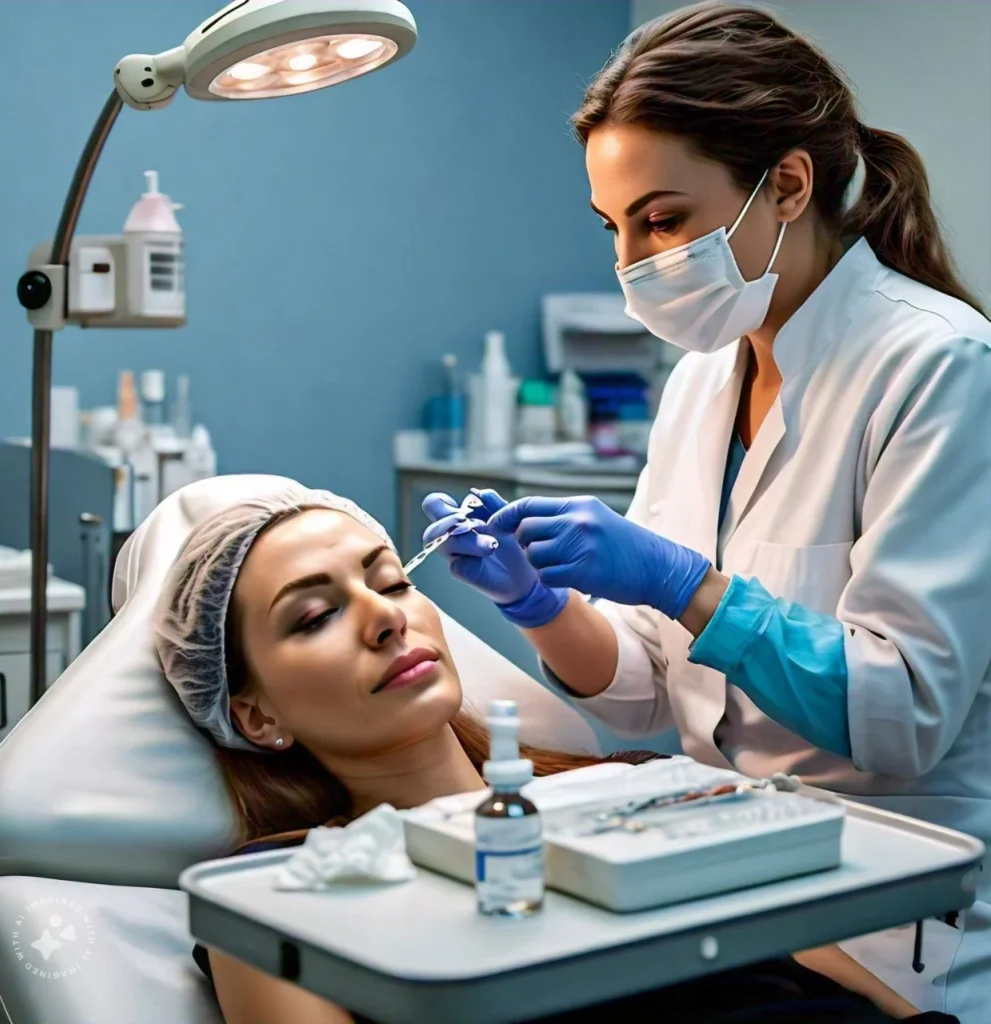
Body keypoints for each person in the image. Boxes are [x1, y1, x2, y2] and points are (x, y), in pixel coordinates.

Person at [422, 5, 991, 1020]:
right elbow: (651, 691)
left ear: (786, 184)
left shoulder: (938, 369)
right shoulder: (701, 379)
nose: (632, 262)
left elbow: (901, 709)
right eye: (615, 227)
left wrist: (684, 583)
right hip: (725, 881)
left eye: (663, 218)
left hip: (890, 921)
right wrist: (542, 602)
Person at [153, 485, 947, 1024]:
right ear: (255, 716)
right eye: (316, 615)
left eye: (391, 583)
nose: (386, 619)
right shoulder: (269, 907)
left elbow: (851, 988)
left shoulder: (633, 789)